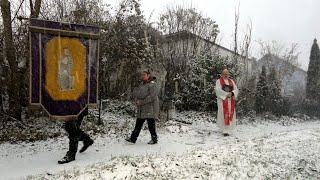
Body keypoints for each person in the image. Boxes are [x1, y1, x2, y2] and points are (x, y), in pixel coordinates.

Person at [125, 69, 159, 144]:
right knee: (139, 123)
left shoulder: (152, 84)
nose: (142, 76)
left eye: (144, 75)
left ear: (148, 75)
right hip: (142, 108)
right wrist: (136, 100)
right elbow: (139, 94)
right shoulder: (142, 84)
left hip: (150, 108)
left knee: (151, 124)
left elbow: (152, 96)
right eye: (142, 75)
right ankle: (133, 138)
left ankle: (154, 139)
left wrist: (142, 102)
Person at [214, 69, 239, 136]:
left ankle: (229, 129)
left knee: (230, 114)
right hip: (223, 101)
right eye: (224, 74)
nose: (225, 75)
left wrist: (232, 93)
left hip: (230, 101)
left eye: (227, 74)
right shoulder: (218, 81)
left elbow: (236, 89)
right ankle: (224, 130)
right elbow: (217, 90)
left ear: (228, 74)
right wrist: (225, 94)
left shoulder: (231, 81)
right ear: (222, 74)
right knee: (223, 114)